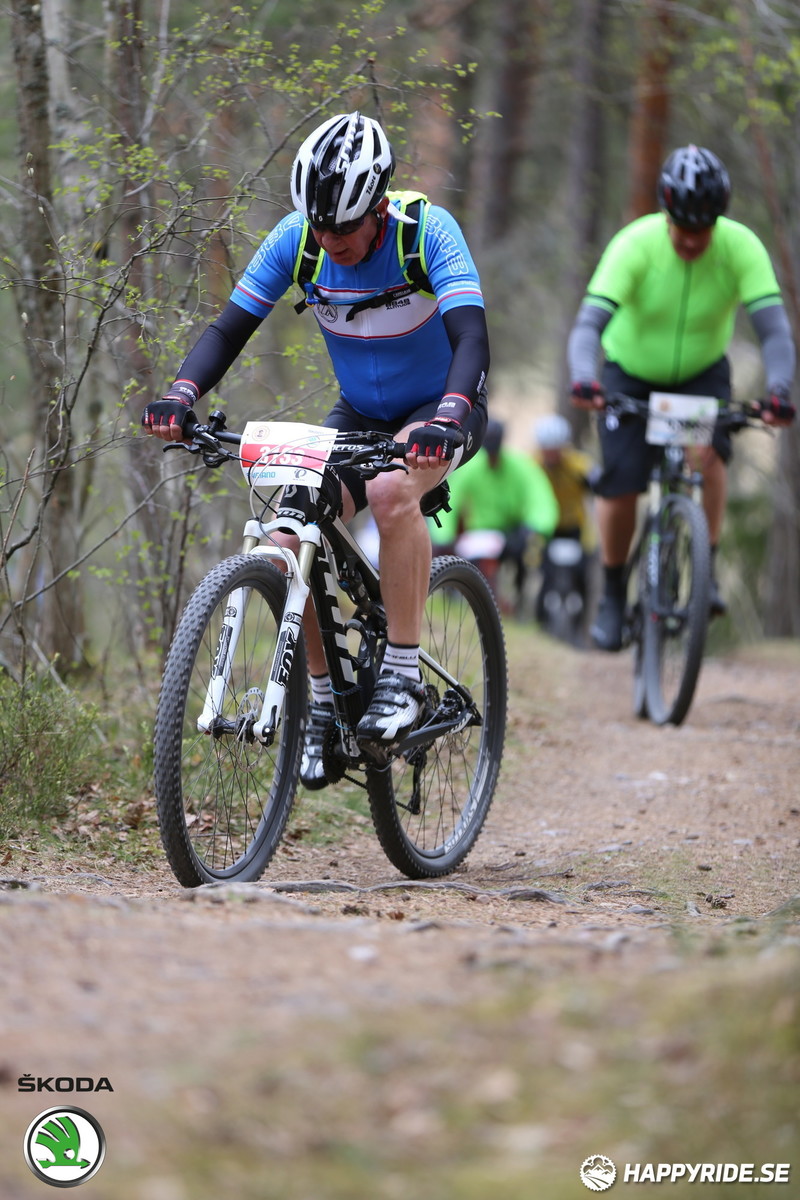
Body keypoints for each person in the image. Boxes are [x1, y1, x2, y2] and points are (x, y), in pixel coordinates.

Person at [142, 111, 490, 788]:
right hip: (358, 413)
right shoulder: (297, 241)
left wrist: (448, 415)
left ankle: (403, 675)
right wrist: (182, 394)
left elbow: (472, 340)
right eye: (320, 228)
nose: (330, 242)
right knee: (286, 530)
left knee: (393, 491)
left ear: (380, 207)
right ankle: (327, 704)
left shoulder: (429, 234)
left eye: (345, 229)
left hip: (440, 408)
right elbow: (230, 327)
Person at [568, 144, 796, 651]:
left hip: (699, 375)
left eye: (703, 230)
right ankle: (610, 593)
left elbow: (775, 333)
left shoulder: (741, 248)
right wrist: (585, 377)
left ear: (718, 220)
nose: (693, 241)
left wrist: (779, 390)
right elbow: (589, 324)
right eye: (683, 230)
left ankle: (706, 570)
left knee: (708, 455)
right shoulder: (635, 244)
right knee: (620, 482)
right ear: (667, 215)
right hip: (629, 372)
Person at [432, 418, 559, 608]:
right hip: (478, 535)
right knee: (472, 562)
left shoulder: (521, 466)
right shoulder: (471, 467)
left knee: (531, 557)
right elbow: (452, 498)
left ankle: (518, 602)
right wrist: (443, 536)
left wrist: (536, 527)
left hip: (511, 534)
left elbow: (540, 499)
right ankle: (470, 600)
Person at [531, 412, 598, 626]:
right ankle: (540, 622)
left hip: (575, 529)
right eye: (547, 450)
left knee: (583, 577)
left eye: (556, 449)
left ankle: (581, 625)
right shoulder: (533, 466)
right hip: (546, 529)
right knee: (545, 575)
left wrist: (595, 480)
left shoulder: (576, 464)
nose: (551, 455)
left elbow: (593, 475)